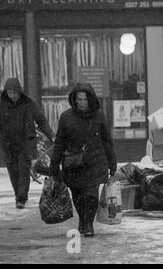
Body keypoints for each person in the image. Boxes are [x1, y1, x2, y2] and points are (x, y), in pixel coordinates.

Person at [50, 83, 117, 237]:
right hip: (73, 164)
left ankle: (88, 224)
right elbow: (59, 142)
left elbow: (107, 141)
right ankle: (82, 220)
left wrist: (112, 165)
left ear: (90, 99)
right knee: (78, 196)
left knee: (91, 196)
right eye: (78, 99)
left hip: (95, 162)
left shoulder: (99, 116)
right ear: (74, 99)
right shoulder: (66, 117)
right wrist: (54, 166)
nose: (81, 102)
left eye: (84, 99)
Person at [0, 78, 54, 209]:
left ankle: (21, 198)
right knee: (13, 171)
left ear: (19, 92)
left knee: (23, 170)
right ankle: (18, 194)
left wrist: (52, 136)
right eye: (9, 93)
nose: (12, 95)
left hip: (25, 143)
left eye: (14, 92)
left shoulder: (29, 104)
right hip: (7, 144)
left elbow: (41, 121)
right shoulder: (1, 105)